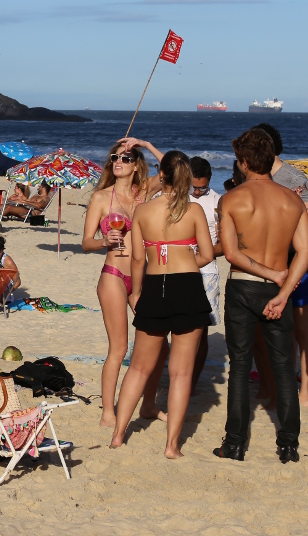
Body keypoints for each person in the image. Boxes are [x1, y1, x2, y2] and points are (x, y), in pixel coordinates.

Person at [214, 128, 308, 463]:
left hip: (244, 284)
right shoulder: (293, 200)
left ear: (243, 162)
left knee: (241, 365)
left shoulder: (232, 199)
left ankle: (235, 442)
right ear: (271, 159)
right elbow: (304, 253)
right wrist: (283, 291)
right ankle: (288, 445)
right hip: (277, 290)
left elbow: (231, 253)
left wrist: (271, 276)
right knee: (283, 366)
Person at [110, 151, 214, 458]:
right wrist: (185, 261)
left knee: (139, 367)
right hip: (188, 285)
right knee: (181, 373)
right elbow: (207, 255)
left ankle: (118, 434)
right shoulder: (193, 210)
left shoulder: (143, 211)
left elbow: (139, 259)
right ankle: (171, 446)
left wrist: (136, 292)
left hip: (155, 285)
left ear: (161, 173)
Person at [82, 142, 165, 427]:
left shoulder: (144, 193)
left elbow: (175, 171)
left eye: (126, 157)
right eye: (115, 157)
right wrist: (103, 242)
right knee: (119, 348)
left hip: (142, 279)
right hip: (114, 276)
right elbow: (85, 242)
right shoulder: (101, 198)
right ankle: (108, 410)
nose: (118, 161)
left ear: (136, 164)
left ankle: (149, 404)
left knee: (160, 346)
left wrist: (145, 144)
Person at [188, 156, 222, 387]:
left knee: (201, 330)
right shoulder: (177, 198)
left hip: (207, 270)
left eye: (203, 187)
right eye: (194, 187)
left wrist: (206, 252)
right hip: (178, 269)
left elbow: (225, 244)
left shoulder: (218, 202)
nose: (198, 192)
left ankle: (192, 382)